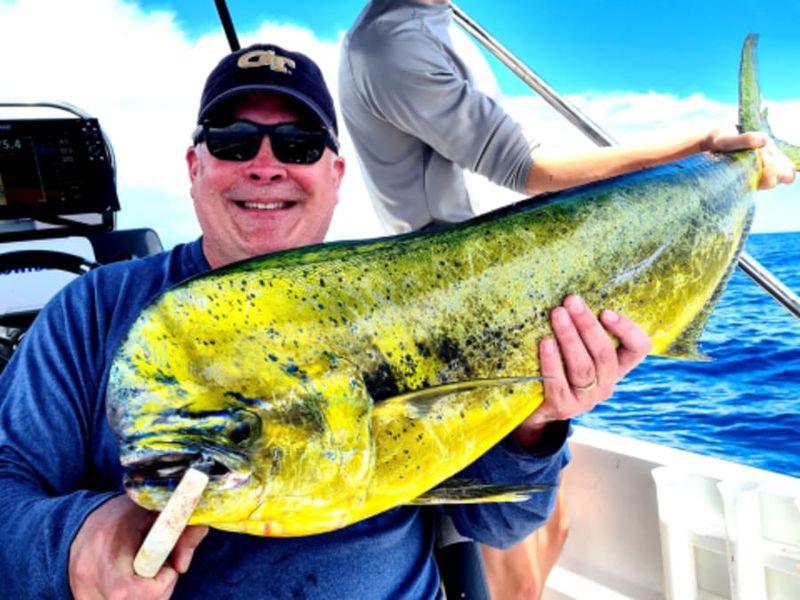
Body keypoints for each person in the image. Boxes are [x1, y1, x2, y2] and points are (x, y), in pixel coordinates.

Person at [0, 42, 675, 600]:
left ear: (335, 172)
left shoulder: (407, 302)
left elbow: (499, 523)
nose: (265, 165)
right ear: (194, 166)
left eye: (296, 144)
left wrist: (536, 424)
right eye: (234, 141)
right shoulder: (93, 311)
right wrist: (76, 547)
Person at [338, 1, 797, 597]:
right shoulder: (390, 43)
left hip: (522, 296)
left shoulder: (435, 25)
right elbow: (530, 166)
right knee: (515, 557)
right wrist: (702, 148)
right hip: (473, 322)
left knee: (552, 522)